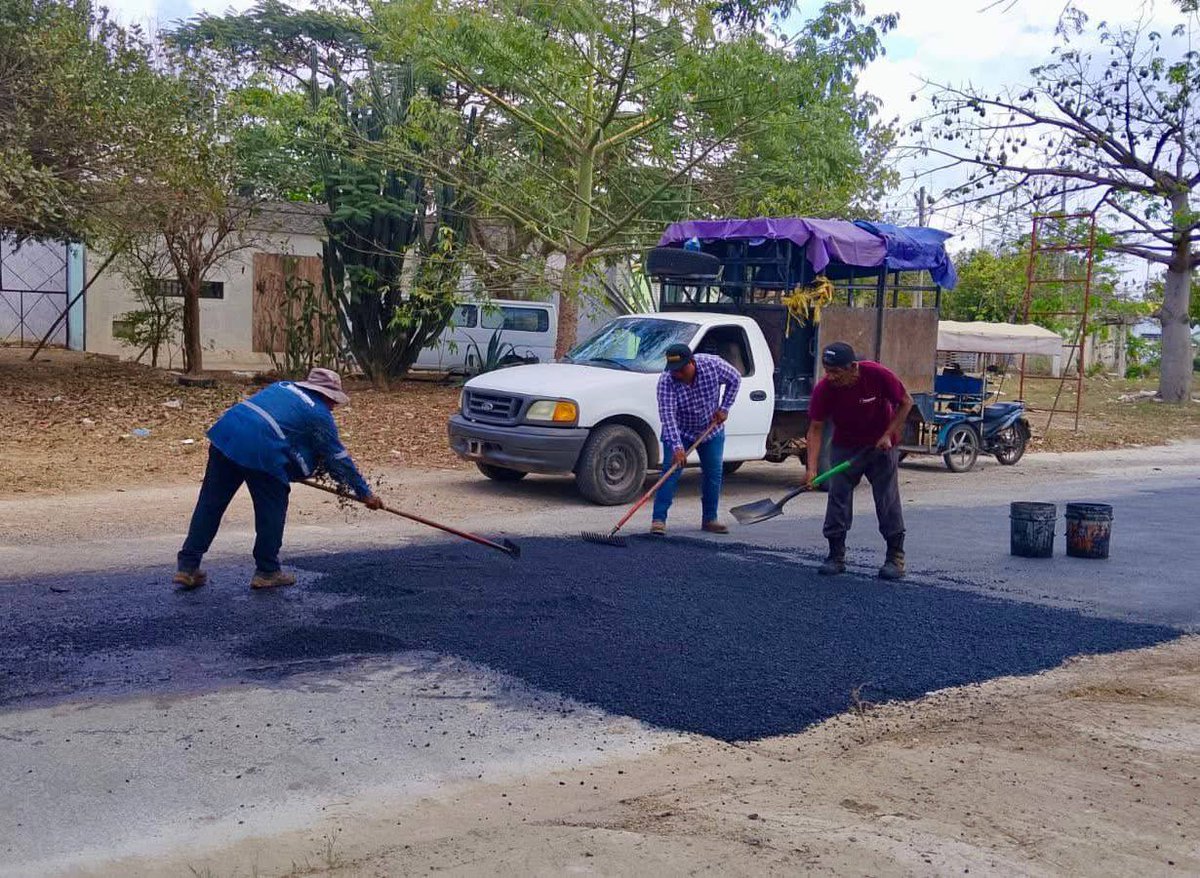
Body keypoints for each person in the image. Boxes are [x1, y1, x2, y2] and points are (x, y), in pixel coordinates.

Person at [174, 368, 382, 590]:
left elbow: (284, 432)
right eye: (333, 401)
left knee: (210, 504)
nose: (333, 406)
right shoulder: (320, 414)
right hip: (261, 449)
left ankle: (187, 567)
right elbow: (338, 458)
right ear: (326, 395)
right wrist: (365, 493)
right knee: (271, 508)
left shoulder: (282, 387)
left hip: (226, 435)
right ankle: (267, 571)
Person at [804, 342, 913, 580]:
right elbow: (815, 428)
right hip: (846, 446)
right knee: (838, 497)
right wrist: (811, 469)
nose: (831, 377)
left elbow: (906, 402)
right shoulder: (825, 389)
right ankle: (835, 555)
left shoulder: (876, 374)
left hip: (880, 447)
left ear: (853, 367)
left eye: (836, 372)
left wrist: (888, 434)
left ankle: (895, 557)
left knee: (886, 498)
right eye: (827, 370)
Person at [651, 343, 741, 535]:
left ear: (692, 362)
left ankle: (710, 519)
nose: (678, 375)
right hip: (680, 432)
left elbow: (735, 379)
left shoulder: (712, 365)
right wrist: (677, 446)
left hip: (710, 431)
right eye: (674, 371)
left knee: (713, 474)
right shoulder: (667, 381)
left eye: (682, 370)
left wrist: (724, 408)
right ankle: (658, 520)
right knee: (670, 472)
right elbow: (667, 415)